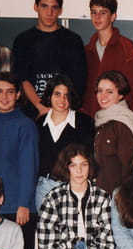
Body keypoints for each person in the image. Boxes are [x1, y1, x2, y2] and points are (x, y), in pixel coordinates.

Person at [0, 72, 39, 249]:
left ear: (18, 95)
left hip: (18, 208)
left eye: (9, 92)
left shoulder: (26, 125)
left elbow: (29, 167)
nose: (4, 97)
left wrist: (24, 204)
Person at [12, 0, 87, 118]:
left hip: (64, 112)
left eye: (54, 7)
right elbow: (22, 79)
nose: (49, 12)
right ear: (36, 7)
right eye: (44, 6)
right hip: (32, 113)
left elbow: (78, 82)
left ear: (60, 10)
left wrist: (60, 109)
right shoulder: (23, 40)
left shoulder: (73, 41)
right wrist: (41, 107)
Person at [35, 74, 95, 211]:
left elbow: (89, 157)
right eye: (57, 94)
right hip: (44, 187)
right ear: (50, 96)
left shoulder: (84, 122)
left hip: (74, 187)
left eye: (66, 95)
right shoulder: (39, 123)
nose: (62, 99)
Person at [82, 0, 133, 117]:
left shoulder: (126, 47)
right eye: (93, 12)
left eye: (103, 13)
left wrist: (128, 116)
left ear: (113, 16)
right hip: (91, 116)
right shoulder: (87, 50)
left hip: (118, 116)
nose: (97, 17)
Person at [92, 70, 133, 194]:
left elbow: (128, 167)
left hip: (117, 195)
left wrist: (122, 198)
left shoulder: (122, 124)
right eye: (100, 91)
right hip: (100, 194)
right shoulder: (100, 121)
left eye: (110, 92)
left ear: (120, 95)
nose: (103, 96)